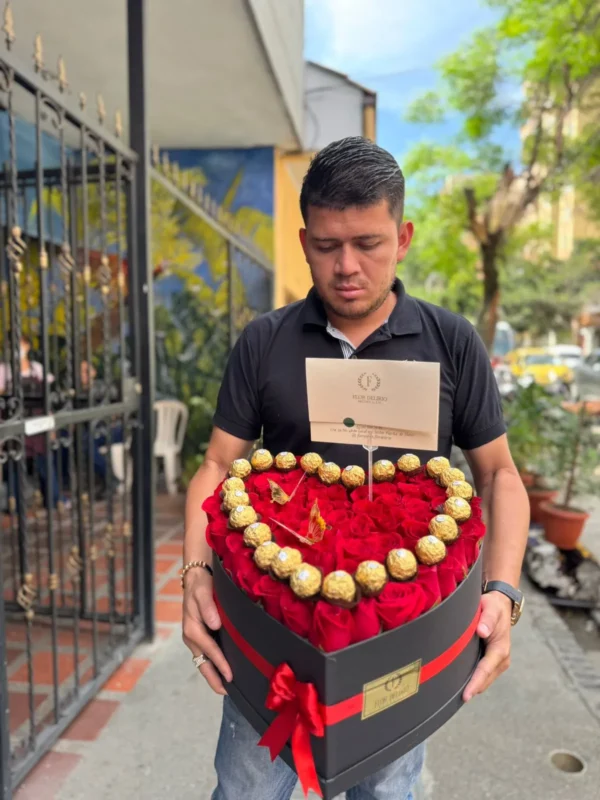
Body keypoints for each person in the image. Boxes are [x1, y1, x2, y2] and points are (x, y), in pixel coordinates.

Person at [182, 137, 530, 799]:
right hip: (274, 638)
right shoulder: (267, 341)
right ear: (304, 238)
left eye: (367, 243)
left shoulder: (450, 341)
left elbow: (499, 476)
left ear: (402, 237)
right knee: (247, 787)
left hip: (399, 641)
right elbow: (219, 463)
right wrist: (196, 572)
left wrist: (504, 596)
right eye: (326, 244)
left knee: (387, 789)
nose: (346, 266)